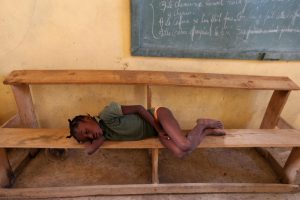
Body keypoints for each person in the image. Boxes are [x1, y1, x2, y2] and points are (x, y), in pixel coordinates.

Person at [67, 102, 225, 158]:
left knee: (184, 145)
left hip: (158, 115)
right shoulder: (104, 135)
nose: (90, 136)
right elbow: (89, 151)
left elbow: (139, 108)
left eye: (87, 130)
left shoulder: (107, 115)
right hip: (158, 132)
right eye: (87, 138)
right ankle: (206, 131)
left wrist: (158, 128)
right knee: (181, 153)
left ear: (88, 118)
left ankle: (201, 123)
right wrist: (93, 140)